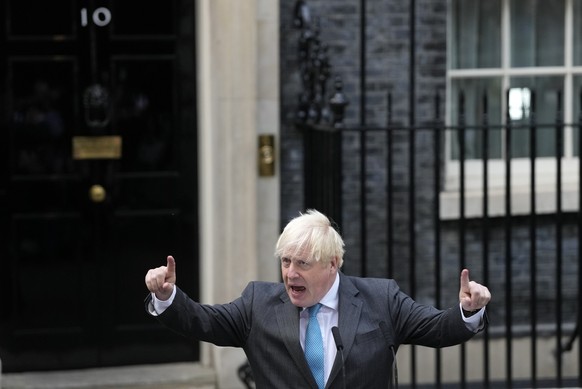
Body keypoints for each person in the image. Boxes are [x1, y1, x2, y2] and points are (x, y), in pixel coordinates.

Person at [145, 209, 491, 388]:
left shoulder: (381, 299)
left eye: (302, 264)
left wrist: (467, 311)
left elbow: (436, 328)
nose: (291, 273)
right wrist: (167, 296)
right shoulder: (257, 305)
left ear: (333, 264)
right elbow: (202, 321)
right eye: (285, 261)